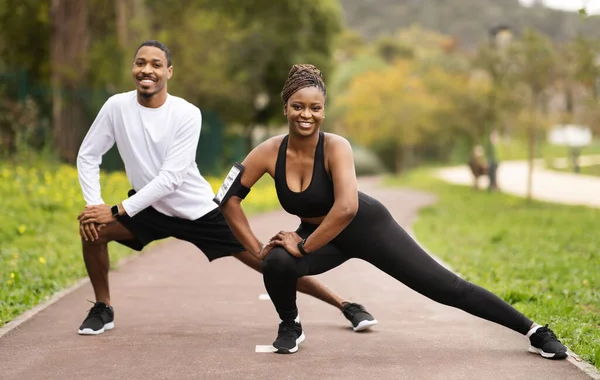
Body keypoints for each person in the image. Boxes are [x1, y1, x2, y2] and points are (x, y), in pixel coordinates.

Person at [217, 63, 569, 358]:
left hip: (366, 227)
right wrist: (258, 250)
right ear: (286, 108)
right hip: (322, 234)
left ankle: (534, 331)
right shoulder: (267, 151)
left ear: (324, 110)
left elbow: (346, 207)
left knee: (446, 288)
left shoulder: (336, 147)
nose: (306, 114)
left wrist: (304, 246)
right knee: (277, 261)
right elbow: (229, 198)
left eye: (315, 107)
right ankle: (290, 324)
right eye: (298, 106)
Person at [75, 40, 377, 336]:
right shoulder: (116, 107)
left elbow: (171, 178)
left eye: (156, 64)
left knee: (266, 261)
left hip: (197, 210)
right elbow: (88, 155)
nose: (147, 70)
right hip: (147, 207)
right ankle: (103, 306)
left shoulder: (186, 113)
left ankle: (346, 305)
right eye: (140, 63)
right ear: (133, 68)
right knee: (93, 229)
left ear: (169, 72)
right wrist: (94, 206)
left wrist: (114, 209)